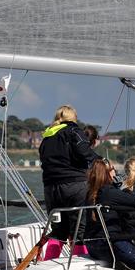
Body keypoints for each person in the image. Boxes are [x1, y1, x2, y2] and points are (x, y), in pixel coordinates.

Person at [39, 105, 99, 253]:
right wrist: (100, 160)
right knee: (79, 230)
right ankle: (79, 265)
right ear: (73, 118)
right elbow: (84, 151)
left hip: (51, 189)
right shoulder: (74, 131)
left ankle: (50, 263)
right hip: (74, 186)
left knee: (58, 231)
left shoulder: (47, 137)